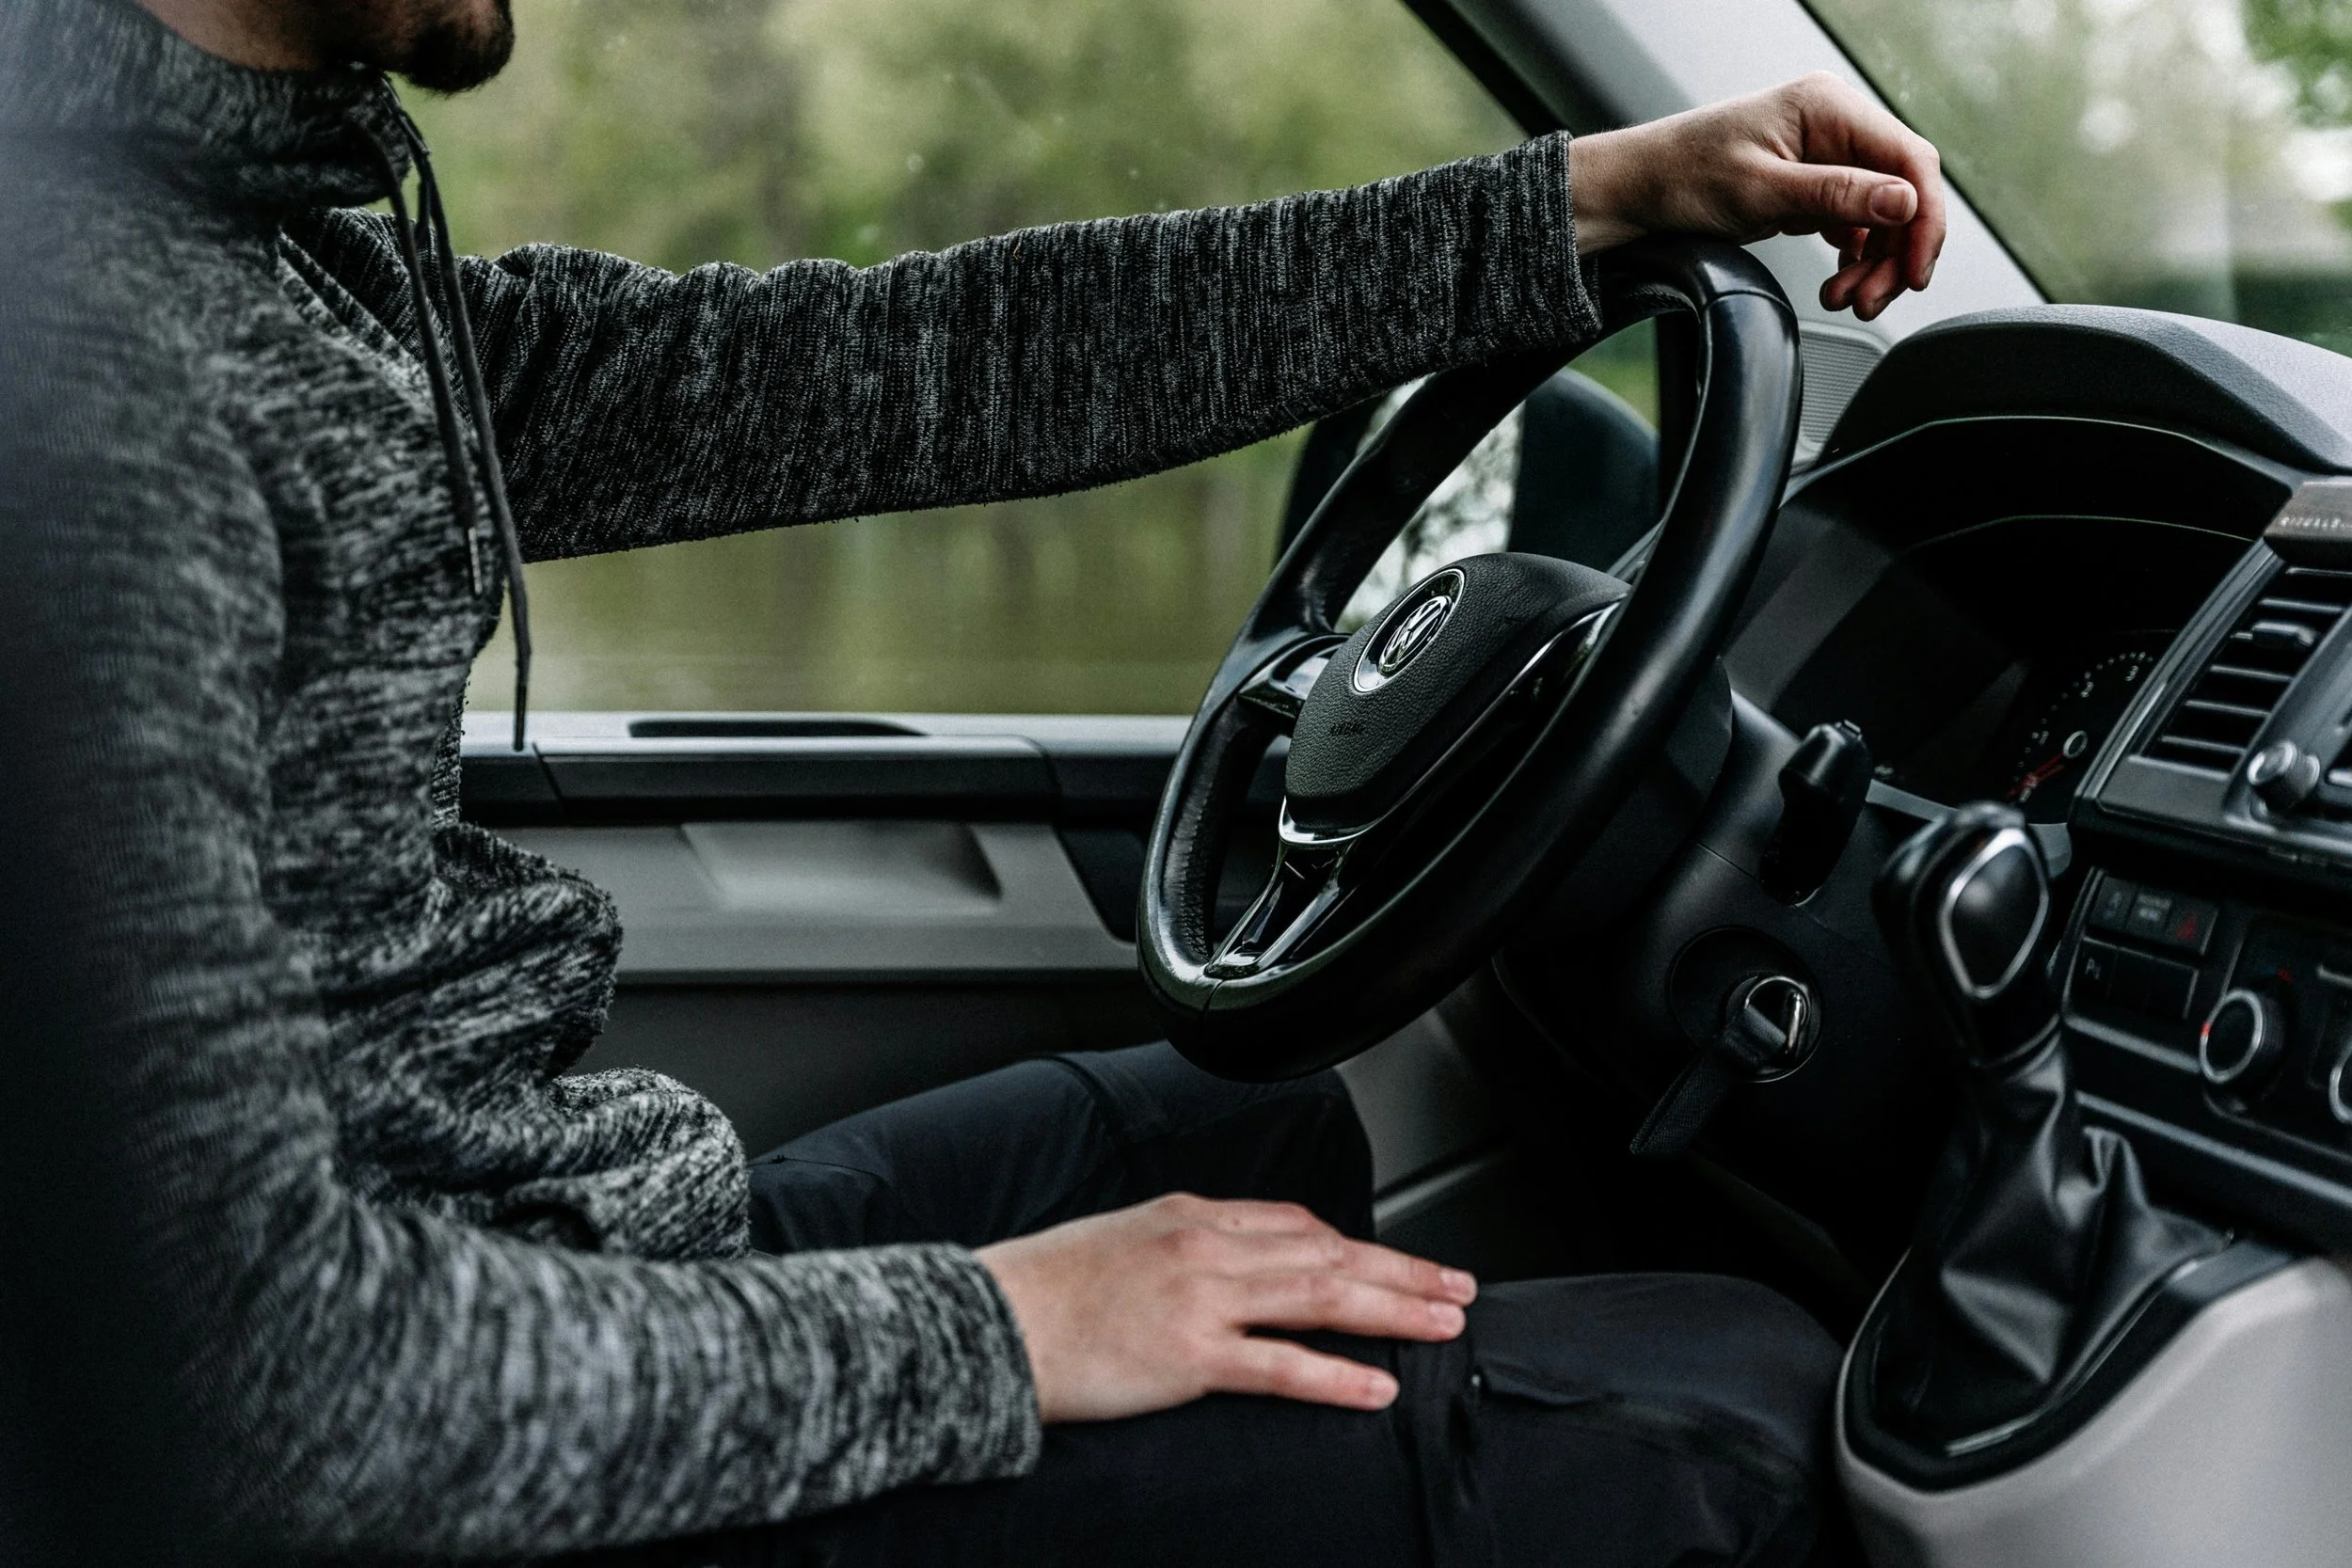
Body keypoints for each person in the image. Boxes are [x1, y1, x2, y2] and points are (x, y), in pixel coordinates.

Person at [0, 0, 1944, 1559]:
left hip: (531, 1265)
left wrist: (1582, 202)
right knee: (1734, 1429)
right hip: (427, 1443)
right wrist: (1004, 1328)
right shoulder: (90, 372)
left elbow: (920, 360)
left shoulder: (272, 261)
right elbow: (245, 1404)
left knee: (1245, 1129)